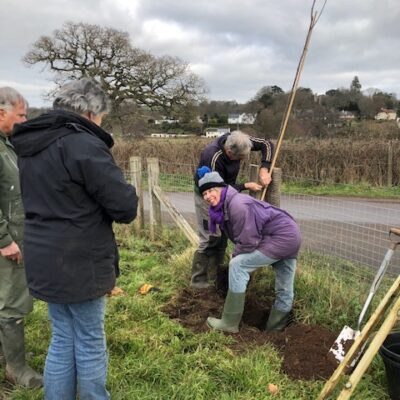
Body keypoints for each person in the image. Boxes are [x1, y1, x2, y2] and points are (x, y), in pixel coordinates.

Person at [11, 78, 138, 400]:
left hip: (43, 252)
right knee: (90, 339)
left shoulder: (30, 145)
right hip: (79, 257)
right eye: (101, 117)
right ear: (90, 112)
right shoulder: (82, 144)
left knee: (63, 336)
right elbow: (124, 207)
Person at [197, 168, 301, 333]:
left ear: (221, 188)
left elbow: (248, 240)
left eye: (211, 190)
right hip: (290, 234)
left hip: (280, 236)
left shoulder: (237, 205)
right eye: (204, 193)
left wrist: (236, 254)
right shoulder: (228, 204)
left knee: (238, 265)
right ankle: (275, 330)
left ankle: (229, 323)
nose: (208, 196)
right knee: (285, 286)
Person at [191, 130, 274, 289]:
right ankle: (198, 281)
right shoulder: (212, 157)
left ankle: (214, 276)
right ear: (229, 152)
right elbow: (216, 189)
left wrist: (264, 169)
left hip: (225, 193)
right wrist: (245, 186)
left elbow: (267, 144)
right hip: (207, 194)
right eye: (240, 158)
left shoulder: (239, 140)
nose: (242, 160)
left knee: (222, 235)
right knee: (210, 236)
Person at [0, 87, 43, 388]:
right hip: (8, 239)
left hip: (15, 233)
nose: (24, 120)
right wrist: (4, 240)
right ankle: (16, 368)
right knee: (13, 303)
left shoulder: (7, 144)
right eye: (21, 115)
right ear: (2, 112)